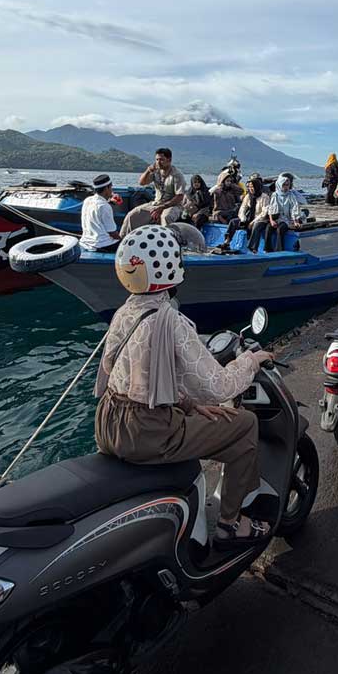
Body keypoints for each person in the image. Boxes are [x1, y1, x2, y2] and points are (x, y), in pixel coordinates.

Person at [94, 226, 275, 548]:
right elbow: (218, 387)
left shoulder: (124, 311)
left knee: (213, 418)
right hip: (147, 431)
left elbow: (117, 371)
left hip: (108, 422)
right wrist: (251, 361)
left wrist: (188, 404)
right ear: (171, 266)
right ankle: (231, 524)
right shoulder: (170, 321)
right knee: (246, 423)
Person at [123, 148, 187, 232]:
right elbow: (142, 182)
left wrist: (163, 207)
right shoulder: (156, 172)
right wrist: (148, 171)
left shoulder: (177, 175)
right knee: (132, 215)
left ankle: (168, 238)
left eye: (161, 160)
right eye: (157, 159)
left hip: (173, 206)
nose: (158, 162)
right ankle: (125, 238)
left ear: (169, 160)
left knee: (166, 217)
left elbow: (180, 196)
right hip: (156, 203)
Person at [248, 172, 303, 253]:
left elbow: (294, 208)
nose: (286, 187)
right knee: (268, 228)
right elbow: (270, 209)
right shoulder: (275, 195)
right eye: (284, 185)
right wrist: (271, 221)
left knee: (280, 229)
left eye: (287, 185)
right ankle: (267, 249)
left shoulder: (291, 195)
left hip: (286, 219)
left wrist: (295, 221)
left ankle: (279, 249)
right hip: (276, 218)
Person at [223, 172, 268, 249]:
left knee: (256, 226)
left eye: (252, 187)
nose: (251, 189)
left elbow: (264, 212)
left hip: (260, 220)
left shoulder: (264, 197)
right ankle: (227, 241)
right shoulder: (248, 196)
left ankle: (252, 248)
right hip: (249, 218)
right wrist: (243, 218)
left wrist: (253, 222)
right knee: (233, 222)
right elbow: (242, 208)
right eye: (249, 187)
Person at [80, 174, 121, 252]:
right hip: (102, 245)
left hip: (85, 242)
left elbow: (98, 205)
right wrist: (122, 240)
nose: (112, 190)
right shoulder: (105, 206)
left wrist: (110, 201)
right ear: (106, 188)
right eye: (111, 187)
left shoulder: (87, 200)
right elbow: (112, 233)